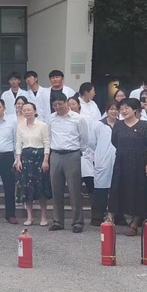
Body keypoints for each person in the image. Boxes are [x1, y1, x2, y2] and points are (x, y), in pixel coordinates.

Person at [108, 98, 147, 236]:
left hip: (139, 162)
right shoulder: (118, 125)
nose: (123, 111)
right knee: (117, 188)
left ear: (135, 110)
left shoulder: (144, 125)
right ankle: (109, 220)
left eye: (126, 108)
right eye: (121, 108)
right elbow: (114, 141)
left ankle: (135, 222)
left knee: (139, 191)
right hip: (121, 161)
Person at [47, 93, 89, 233]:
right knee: (56, 190)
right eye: (55, 105)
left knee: (74, 189)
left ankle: (77, 222)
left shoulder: (78, 119)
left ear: (66, 103)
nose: (57, 107)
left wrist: (78, 152)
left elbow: (84, 138)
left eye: (60, 103)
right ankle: (58, 221)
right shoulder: (51, 118)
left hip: (72, 154)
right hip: (55, 154)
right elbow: (49, 136)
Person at [15, 102, 51, 226]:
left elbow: (47, 143)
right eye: (24, 110)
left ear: (35, 111)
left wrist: (46, 160)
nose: (27, 112)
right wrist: (18, 160)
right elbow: (18, 144)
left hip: (39, 158)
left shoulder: (42, 125)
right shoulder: (20, 126)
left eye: (29, 110)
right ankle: (29, 216)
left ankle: (43, 216)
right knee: (27, 188)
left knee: (41, 188)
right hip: (26, 158)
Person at [89, 101, 119, 226]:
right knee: (100, 190)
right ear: (107, 110)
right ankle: (97, 217)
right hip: (102, 160)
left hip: (118, 161)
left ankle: (118, 217)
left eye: (116, 109)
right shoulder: (98, 124)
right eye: (111, 109)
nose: (113, 111)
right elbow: (91, 143)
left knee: (116, 190)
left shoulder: (121, 125)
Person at [68, 95, 95, 198]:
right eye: (69, 104)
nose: (71, 106)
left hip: (86, 150)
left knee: (88, 175)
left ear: (79, 105)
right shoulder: (66, 119)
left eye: (73, 104)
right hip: (72, 151)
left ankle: (93, 200)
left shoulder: (86, 118)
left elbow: (89, 135)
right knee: (75, 179)